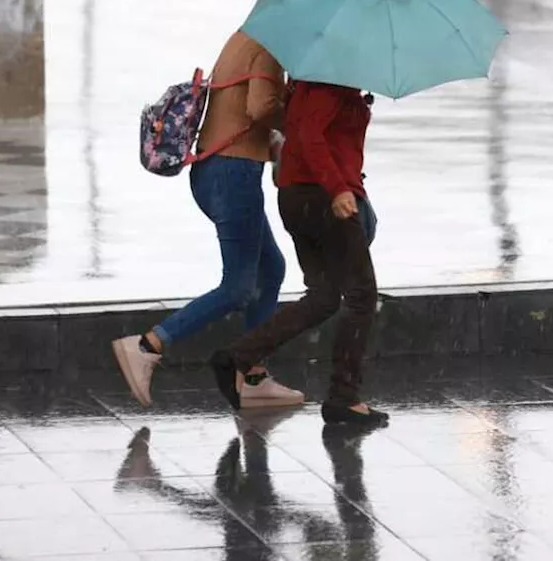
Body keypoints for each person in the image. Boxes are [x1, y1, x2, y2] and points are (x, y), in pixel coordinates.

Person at [112, 31, 303, 409]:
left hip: (216, 168)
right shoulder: (269, 47)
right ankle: (148, 344)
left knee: (270, 269)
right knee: (238, 287)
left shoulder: (244, 39)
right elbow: (261, 107)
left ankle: (253, 376)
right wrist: (300, 119)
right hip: (234, 172)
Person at [209, 80, 388, 429]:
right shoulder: (329, 83)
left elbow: (310, 132)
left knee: (324, 297)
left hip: (299, 195)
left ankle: (237, 357)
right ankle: (343, 397)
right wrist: (338, 189)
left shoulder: (316, 82)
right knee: (362, 295)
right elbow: (309, 136)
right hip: (323, 198)